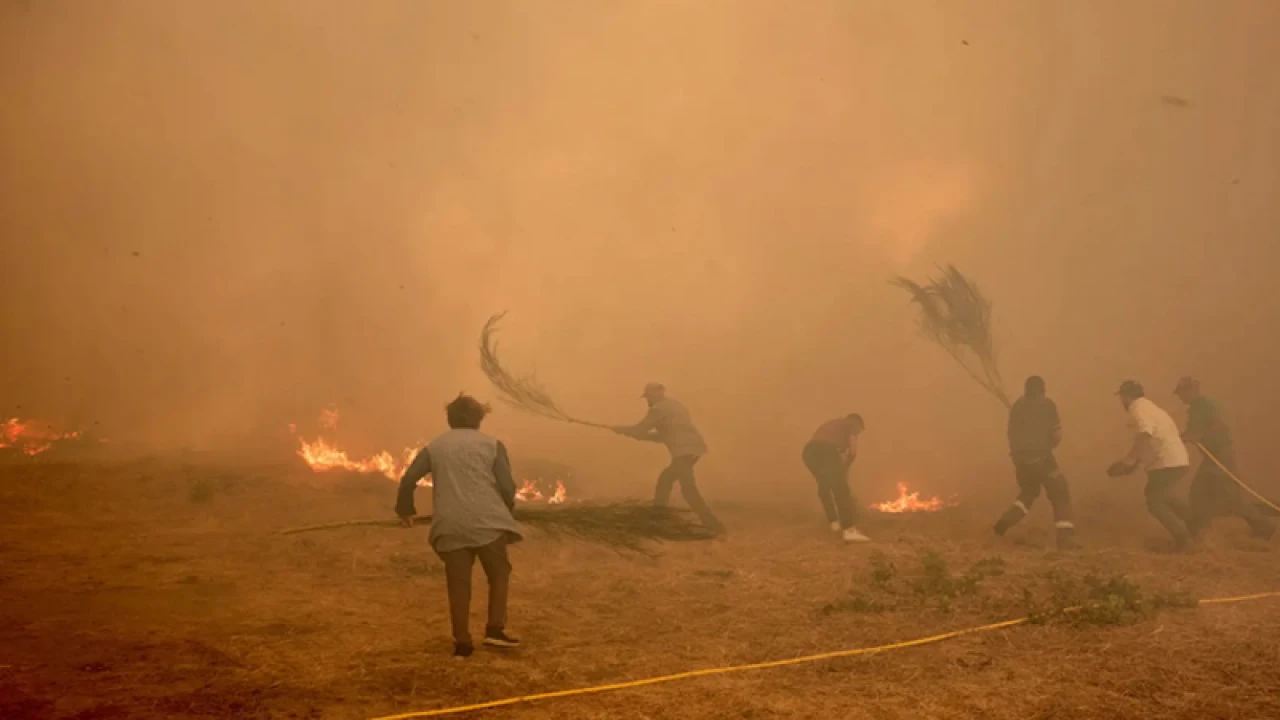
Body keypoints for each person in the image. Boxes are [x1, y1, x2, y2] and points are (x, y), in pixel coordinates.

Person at [395, 393, 522, 658]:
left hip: (449, 525)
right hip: (489, 523)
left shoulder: (435, 447)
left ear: (450, 419)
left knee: (458, 584)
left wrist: (405, 509)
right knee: (499, 573)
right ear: (479, 419)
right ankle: (494, 630)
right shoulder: (493, 446)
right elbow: (507, 488)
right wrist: (506, 511)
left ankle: (462, 643)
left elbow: (408, 480)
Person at [611, 382, 725, 534]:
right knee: (668, 481)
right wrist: (633, 433)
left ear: (654, 395)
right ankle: (659, 518)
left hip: (684, 451)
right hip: (694, 449)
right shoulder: (674, 406)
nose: (647, 401)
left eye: (648, 398)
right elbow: (663, 436)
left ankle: (711, 524)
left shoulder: (658, 410)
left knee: (685, 489)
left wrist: (624, 430)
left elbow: (641, 429)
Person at [1174, 376, 1275, 540]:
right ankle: (1262, 526)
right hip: (1213, 458)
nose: (1180, 397)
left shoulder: (1205, 405)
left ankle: (1197, 531)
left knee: (1202, 493)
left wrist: (1198, 436)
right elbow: (1193, 433)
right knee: (1226, 498)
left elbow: (1220, 425)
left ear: (1192, 390)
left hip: (1220, 457)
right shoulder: (1196, 408)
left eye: (1182, 393)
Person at [1107, 380, 1194, 550]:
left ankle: (1184, 538)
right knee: (1162, 495)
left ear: (1126, 396)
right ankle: (1196, 523)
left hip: (1166, 462)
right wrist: (1138, 461)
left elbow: (1145, 435)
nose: (1121, 402)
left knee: (1155, 502)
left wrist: (1129, 460)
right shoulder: (1151, 407)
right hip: (1176, 460)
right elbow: (1154, 437)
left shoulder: (1137, 409)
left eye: (1122, 398)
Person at [993, 376, 1078, 549]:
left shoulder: (1017, 406)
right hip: (1042, 459)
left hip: (1020, 462)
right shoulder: (1047, 405)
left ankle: (1004, 523)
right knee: (1060, 492)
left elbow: (1010, 434)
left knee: (1028, 493)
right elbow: (1057, 435)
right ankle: (1065, 539)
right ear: (1042, 390)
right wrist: (1049, 446)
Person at [802, 413, 870, 543]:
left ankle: (833, 522)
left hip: (809, 452)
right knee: (841, 489)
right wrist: (845, 468)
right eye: (860, 431)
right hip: (826, 451)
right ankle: (849, 529)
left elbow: (819, 442)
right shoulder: (851, 424)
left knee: (824, 484)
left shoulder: (832, 423)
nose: (859, 433)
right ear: (857, 423)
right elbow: (853, 452)